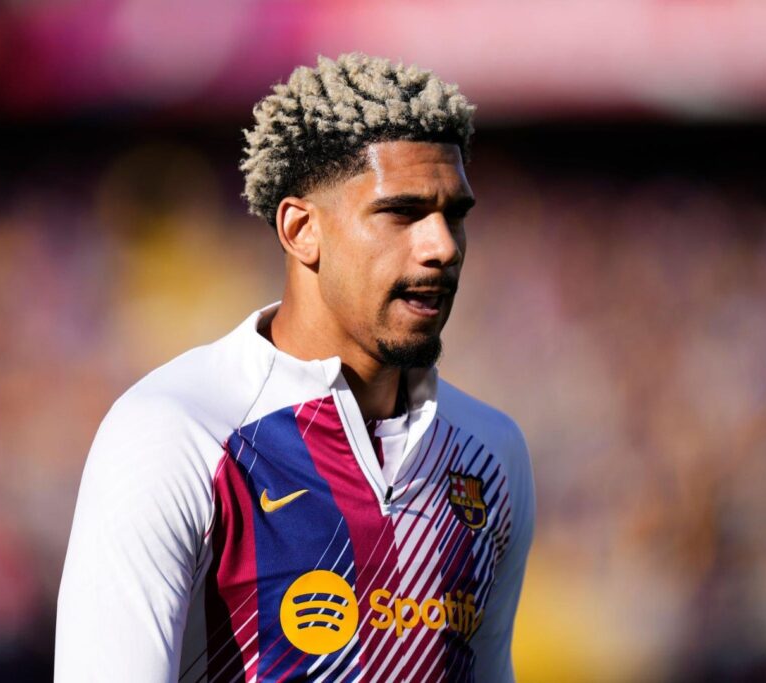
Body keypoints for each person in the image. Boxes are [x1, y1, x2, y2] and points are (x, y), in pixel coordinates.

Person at [55, 52, 535, 683]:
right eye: (402, 213)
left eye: (455, 215)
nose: (442, 246)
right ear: (301, 229)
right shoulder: (175, 432)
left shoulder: (491, 455)